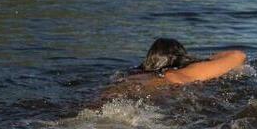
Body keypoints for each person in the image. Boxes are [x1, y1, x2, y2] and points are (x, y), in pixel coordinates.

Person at [102, 38, 246, 100]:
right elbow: (238, 55)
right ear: (181, 58)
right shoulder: (179, 74)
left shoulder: (131, 75)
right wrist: (202, 60)